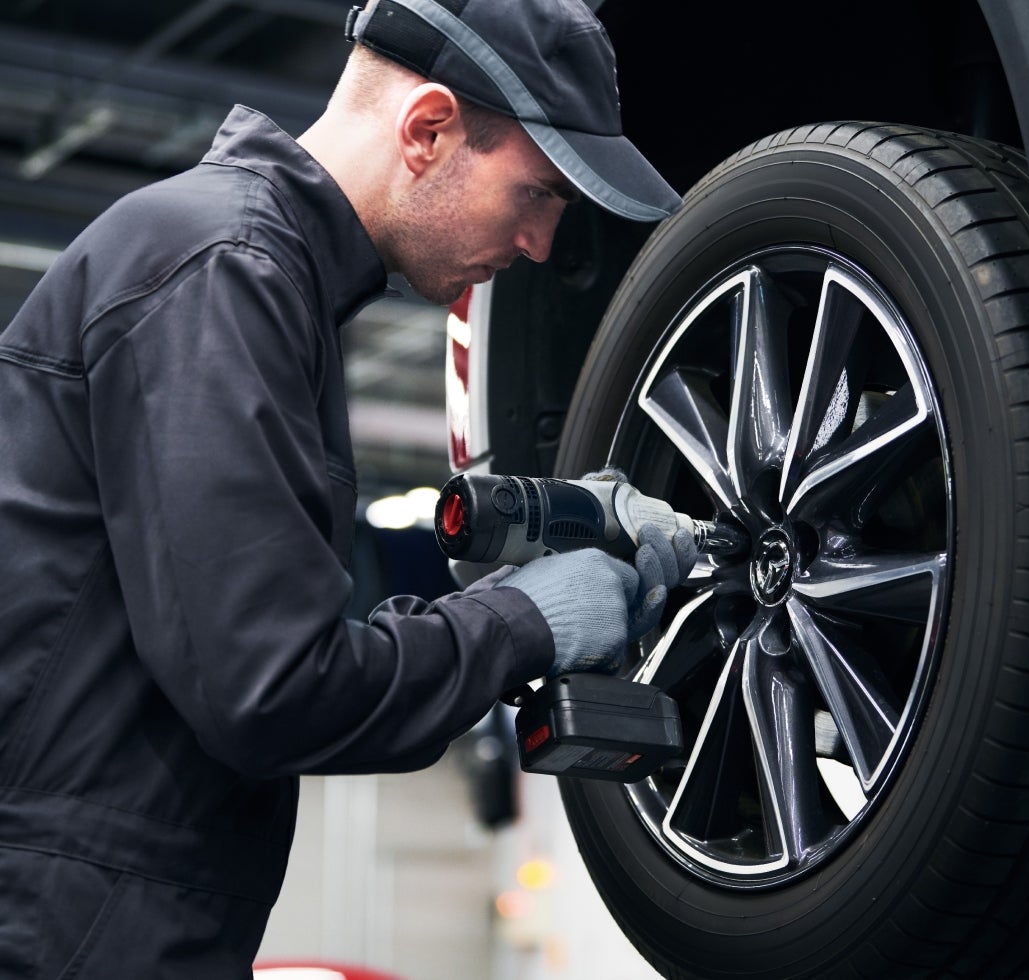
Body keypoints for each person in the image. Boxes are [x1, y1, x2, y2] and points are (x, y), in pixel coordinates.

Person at [0, 0, 689, 975]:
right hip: (62, 927)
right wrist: (517, 622)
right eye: (535, 194)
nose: (539, 244)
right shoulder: (223, 272)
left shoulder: (255, 278)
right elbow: (271, 687)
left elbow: (265, 656)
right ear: (427, 131)